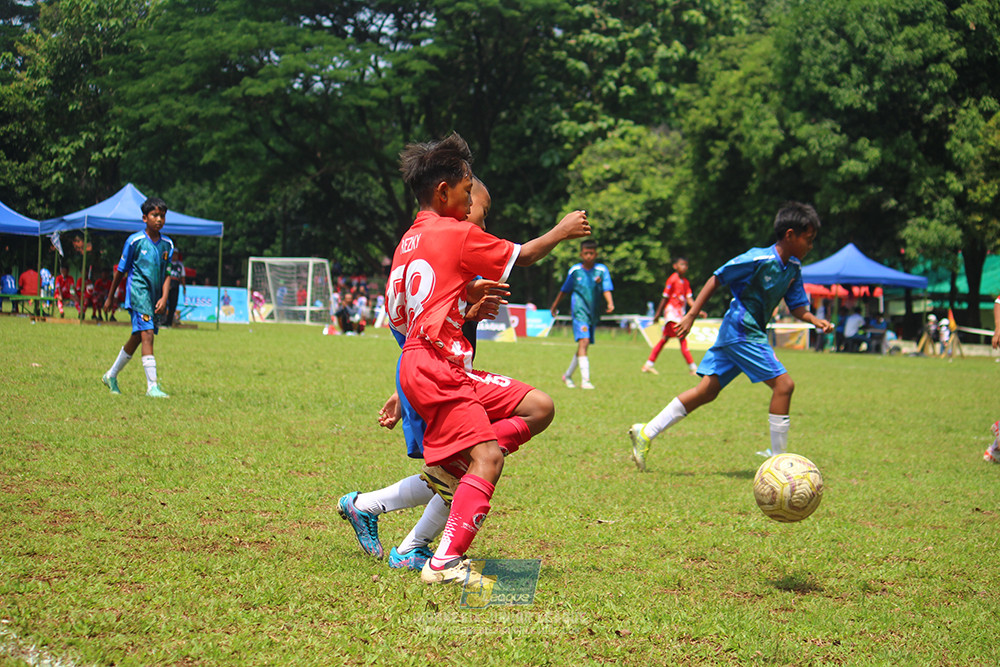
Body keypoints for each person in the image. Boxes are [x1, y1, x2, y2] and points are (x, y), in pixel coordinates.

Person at [375, 133, 589, 586]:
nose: (472, 199)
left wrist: (464, 304)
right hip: (439, 367)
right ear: (443, 192)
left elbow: (404, 316)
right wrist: (562, 230)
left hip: (424, 362)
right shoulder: (455, 232)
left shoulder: (408, 241)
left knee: (539, 407)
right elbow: (526, 256)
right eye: (467, 190)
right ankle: (440, 561)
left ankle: (436, 500)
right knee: (488, 459)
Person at [339, 177, 534, 572]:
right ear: (448, 198)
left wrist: (467, 313)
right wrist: (402, 390)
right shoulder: (448, 247)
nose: (474, 214)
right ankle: (402, 536)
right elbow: (418, 333)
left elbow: (422, 330)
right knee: (456, 471)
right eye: (477, 206)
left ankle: (380, 518)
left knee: (456, 468)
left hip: (440, 377)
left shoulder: (440, 252)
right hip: (435, 381)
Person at [627, 201, 834, 470]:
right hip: (742, 331)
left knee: (706, 391)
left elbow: (796, 307)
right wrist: (690, 315)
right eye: (809, 239)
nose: (811, 246)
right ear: (790, 235)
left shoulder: (793, 268)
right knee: (784, 386)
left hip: (742, 333)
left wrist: (814, 319)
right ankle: (779, 462)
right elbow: (717, 277)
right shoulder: (758, 258)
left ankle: (645, 432)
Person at [100, 197, 174, 398]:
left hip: (154, 297)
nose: (159, 219)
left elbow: (168, 273)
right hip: (137, 294)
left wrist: (165, 297)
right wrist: (110, 297)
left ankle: (111, 375)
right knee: (147, 333)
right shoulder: (134, 241)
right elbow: (120, 271)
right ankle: (152, 387)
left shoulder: (168, 244)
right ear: (144, 218)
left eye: (162, 216)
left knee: (138, 337)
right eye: (154, 215)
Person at [549, 239, 614, 389]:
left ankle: (568, 375)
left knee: (583, 345)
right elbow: (564, 290)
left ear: (596, 254)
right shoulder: (575, 271)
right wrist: (554, 306)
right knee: (583, 342)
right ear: (581, 254)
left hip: (593, 313)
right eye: (586, 253)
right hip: (579, 311)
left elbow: (606, 288)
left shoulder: (602, 271)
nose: (589, 256)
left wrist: (610, 303)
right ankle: (586, 380)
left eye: (591, 253)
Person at [641, 257, 705, 376]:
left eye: (686, 265)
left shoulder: (685, 282)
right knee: (681, 338)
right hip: (671, 314)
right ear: (675, 266)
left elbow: (689, 299)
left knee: (665, 339)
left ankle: (648, 365)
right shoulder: (672, 279)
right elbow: (665, 297)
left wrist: (698, 310)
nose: (684, 267)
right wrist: (657, 314)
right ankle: (693, 368)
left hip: (679, 315)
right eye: (682, 264)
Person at [165, 250, 186, 326]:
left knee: (173, 305)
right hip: (166, 287)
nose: (174, 256)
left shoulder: (180, 265)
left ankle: (169, 322)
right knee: (164, 304)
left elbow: (183, 277)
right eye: (173, 254)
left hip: (175, 287)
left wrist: (184, 287)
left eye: (176, 255)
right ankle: (162, 320)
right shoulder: (167, 263)